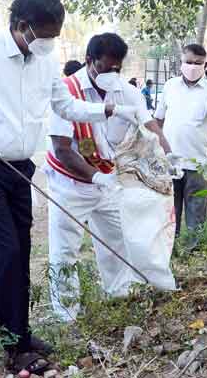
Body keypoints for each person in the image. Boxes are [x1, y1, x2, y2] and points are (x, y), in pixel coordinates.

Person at [0, 0, 140, 373]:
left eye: (55, 35)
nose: (50, 42)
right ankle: (13, 348)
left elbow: (66, 107)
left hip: (18, 167)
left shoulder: (45, 61)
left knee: (22, 250)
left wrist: (107, 108)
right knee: (5, 253)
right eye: (45, 34)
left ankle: (22, 334)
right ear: (22, 25)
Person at [45, 33, 170, 321]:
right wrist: (97, 178)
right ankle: (67, 315)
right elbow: (62, 150)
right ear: (90, 61)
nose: (112, 73)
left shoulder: (123, 91)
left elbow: (150, 125)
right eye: (106, 67)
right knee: (65, 251)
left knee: (116, 239)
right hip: (69, 183)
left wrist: (168, 154)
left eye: (118, 69)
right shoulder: (67, 91)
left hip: (107, 178)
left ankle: (118, 294)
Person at [156, 44, 207, 246]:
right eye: (188, 62)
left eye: (198, 63)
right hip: (170, 161)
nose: (192, 66)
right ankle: (169, 248)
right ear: (181, 63)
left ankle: (195, 249)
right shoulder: (170, 86)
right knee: (168, 210)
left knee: (196, 208)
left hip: (197, 162)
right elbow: (158, 120)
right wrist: (155, 149)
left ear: (205, 65)